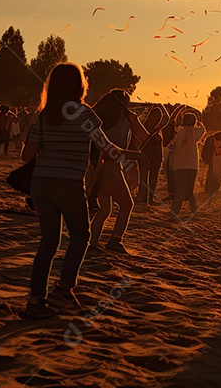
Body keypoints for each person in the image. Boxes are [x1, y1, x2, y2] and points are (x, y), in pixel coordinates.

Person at [19, 62, 143, 319]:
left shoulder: (45, 115)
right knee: (80, 236)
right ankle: (64, 290)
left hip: (41, 183)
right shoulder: (83, 114)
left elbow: (26, 156)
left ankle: (35, 300)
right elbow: (106, 148)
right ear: (79, 86)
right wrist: (135, 155)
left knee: (48, 241)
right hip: (68, 182)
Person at [88, 90, 149, 254]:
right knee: (127, 204)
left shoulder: (96, 117)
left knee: (104, 209)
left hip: (95, 167)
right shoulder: (124, 119)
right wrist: (135, 120)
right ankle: (115, 240)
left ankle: (92, 241)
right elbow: (145, 139)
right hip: (112, 167)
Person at [167, 111, 205, 217]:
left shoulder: (180, 133)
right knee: (189, 191)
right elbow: (203, 129)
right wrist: (199, 121)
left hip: (179, 165)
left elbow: (173, 145)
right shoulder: (196, 133)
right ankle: (194, 211)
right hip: (193, 165)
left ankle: (174, 212)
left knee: (180, 191)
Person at [137, 105, 167, 206]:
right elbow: (167, 119)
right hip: (153, 158)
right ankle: (148, 199)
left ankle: (144, 198)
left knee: (145, 179)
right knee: (151, 180)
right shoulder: (155, 129)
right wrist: (162, 106)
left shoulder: (145, 127)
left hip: (146, 156)